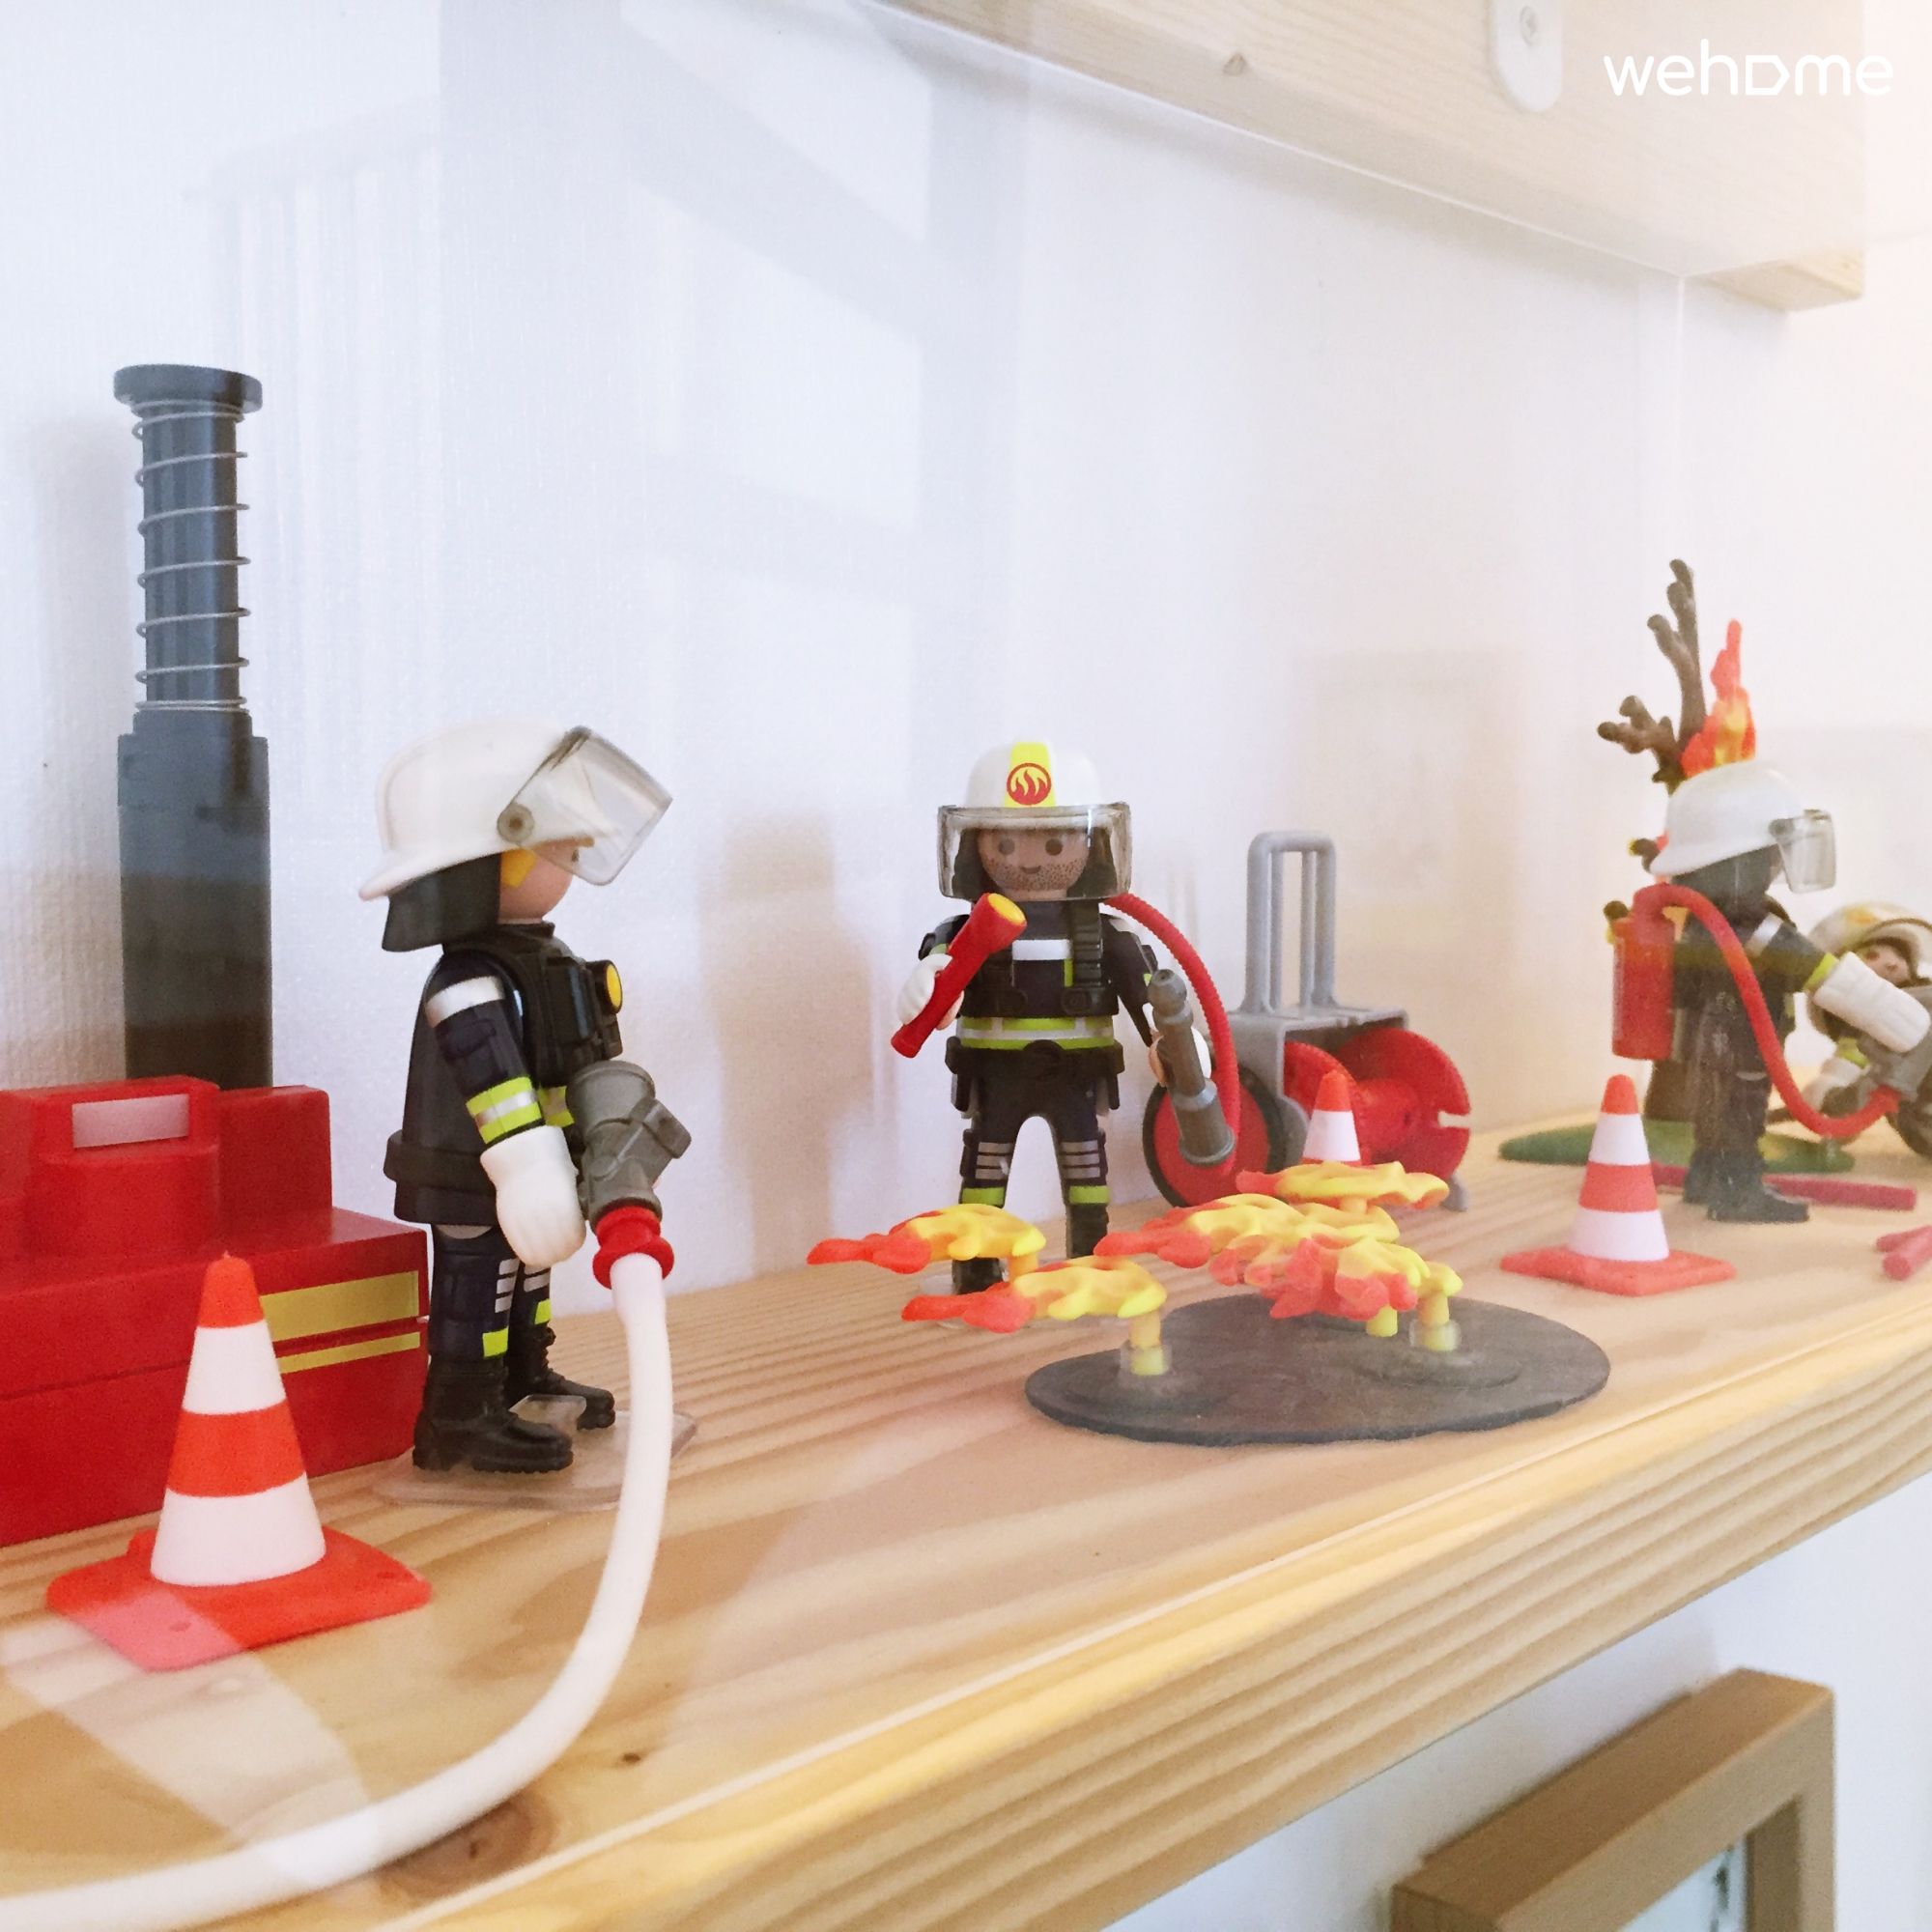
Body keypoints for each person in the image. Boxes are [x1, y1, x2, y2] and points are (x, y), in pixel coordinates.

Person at [362, 719, 670, 1471]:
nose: (576, 851)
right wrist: (526, 1163)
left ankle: (524, 1377)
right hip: (477, 1173)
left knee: (530, 1277)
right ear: (495, 859)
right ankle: (459, 1414)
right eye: (558, 841)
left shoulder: (542, 958)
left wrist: (599, 1138)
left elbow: (583, 1061)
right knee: (481, 1279)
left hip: (542, 1170)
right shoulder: (467, 978)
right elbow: (489, 1073)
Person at [898, 741, 1156, 1292]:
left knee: (1087, 1174)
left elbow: (1149, 994)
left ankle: (1091, 1264)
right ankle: (976, 1270)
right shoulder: (964, 933)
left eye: (1056, 841)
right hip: (996, 1075)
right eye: (1006, 843)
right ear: (976, 845)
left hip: (1078, 1076)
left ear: (1092, 844)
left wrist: (1166, 1039)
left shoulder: (1105, 933)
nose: (1030, 860)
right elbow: (935, 989)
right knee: (984, 1171)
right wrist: (925, 984)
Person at [1649, 762, 1929, 1220]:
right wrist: (1895, 1015)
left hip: (1715, 1042)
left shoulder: (1709, 921)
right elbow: (1817, 970)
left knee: (1715, 1112)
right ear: (1742, 860)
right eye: (1773, 853)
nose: (1779, 862)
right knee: (1740, 1115)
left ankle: (1709, 1177)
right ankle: (1738, 1191)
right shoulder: (1752, 928)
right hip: (1741, 1045)